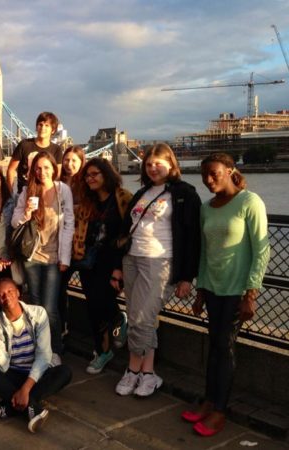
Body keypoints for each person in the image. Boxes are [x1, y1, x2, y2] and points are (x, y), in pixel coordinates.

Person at [182, 153, 269, 437]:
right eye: (204, 175)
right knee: (214, 345)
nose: (208, 180)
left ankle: (220, 410)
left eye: (214, 173)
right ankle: (209, 401)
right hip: (214, 289)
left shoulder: (249, 202)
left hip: (237, 290)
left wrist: (251, 293)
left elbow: (261, 249)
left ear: (230, 171)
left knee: (225, 346)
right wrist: (201, 291)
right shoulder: (207, 208)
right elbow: (206, 253)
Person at [114, 143, 201, 397]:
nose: (152, 168)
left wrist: (186, 276)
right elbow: (126, 228)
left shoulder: (185, 193)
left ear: (171, 165)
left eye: (158, 163)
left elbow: (193, 237)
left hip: (160, 261)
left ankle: (132, 369)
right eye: (149, 164)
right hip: (132, 258)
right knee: (141, 317)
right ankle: (149, 374)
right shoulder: (142, 192)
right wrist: (118, 266)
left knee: (140, 319)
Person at [0, 278, 72, 433]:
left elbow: (44, 356)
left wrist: (25, 389)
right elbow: (3, 365)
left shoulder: (38, 313)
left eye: (10, 291)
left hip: (38, 374)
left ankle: (9, 406)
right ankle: (31, 407)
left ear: (18, 292)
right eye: (1, 295)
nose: (6, 296)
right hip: (13, 373)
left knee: (65, 372)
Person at [71, 158, 132, 374]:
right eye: (87, 176)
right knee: (93, 307)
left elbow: (128, 235)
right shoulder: (88, 202)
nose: (90, 179)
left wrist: (120, 267)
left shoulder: (123, 199)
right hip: (88, 260)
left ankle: (119, 318)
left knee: (104, 300)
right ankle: (102, 350)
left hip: (112, 260)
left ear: (106, 174)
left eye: (95, 174)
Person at [11, 151, 74, 361]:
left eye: (46, 167)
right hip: (32, 256)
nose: (42, 172)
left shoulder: (62, 190)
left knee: (50, 307)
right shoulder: (28, 191)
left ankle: (55, 349)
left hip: (53, 258)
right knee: (36, 305)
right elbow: (15, 222)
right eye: (38, 168)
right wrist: (27, 213)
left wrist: (65, 258)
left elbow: (69, 224)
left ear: (53, 169)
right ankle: (40, 347)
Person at [57, 145, 86, 337]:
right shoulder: (56, 182)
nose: (69, 164)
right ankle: (62, 327)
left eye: (74, 160)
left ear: (81, 162)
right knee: (59, 288)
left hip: (82, 245)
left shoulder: (86, 182)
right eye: (66, 160)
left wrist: (71, 209)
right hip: (61, 243)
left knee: (91, 291)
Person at [7, 112, 63, 195]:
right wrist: (10, 193)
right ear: (37, 127)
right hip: (23, 194)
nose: (42, 128)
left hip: (46, 195)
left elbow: (57, 175)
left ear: (53, 130)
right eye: (40, 124)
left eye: (47, 125)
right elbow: (11, 169)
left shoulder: (57, 149)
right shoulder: (24, 144)